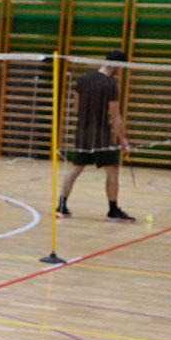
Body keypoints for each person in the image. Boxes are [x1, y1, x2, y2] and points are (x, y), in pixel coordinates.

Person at [56, 50, 134, 223]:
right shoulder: (110, 85)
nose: (120, 72)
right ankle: (113, 211)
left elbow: (76, 108)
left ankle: (61, 207)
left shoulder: (82, 81)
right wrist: (123, 140)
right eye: (121, 68)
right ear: (116, 65)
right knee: (112, 170)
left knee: (76, 169)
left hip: (82, 132)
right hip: (101, 134)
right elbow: (115, 116)